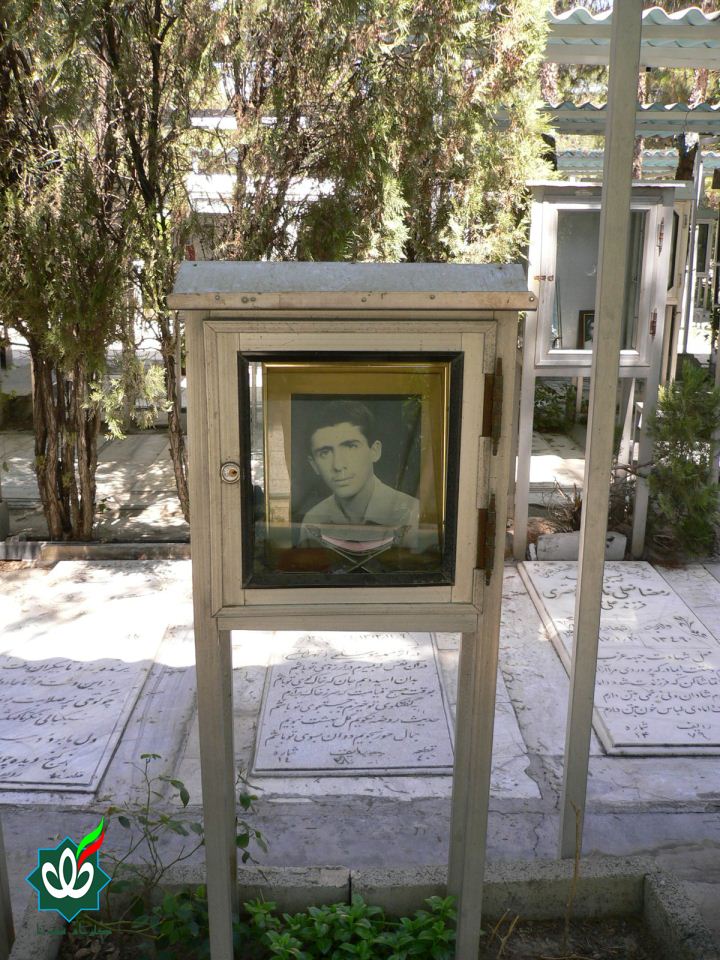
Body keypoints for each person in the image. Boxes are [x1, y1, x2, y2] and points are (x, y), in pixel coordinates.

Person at [298, 399, 419, 549]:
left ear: (374, 451)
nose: (338, 465)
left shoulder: (412, 513)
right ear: (314, 465)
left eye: (350, 447)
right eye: (325, 453)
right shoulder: (313, 520)